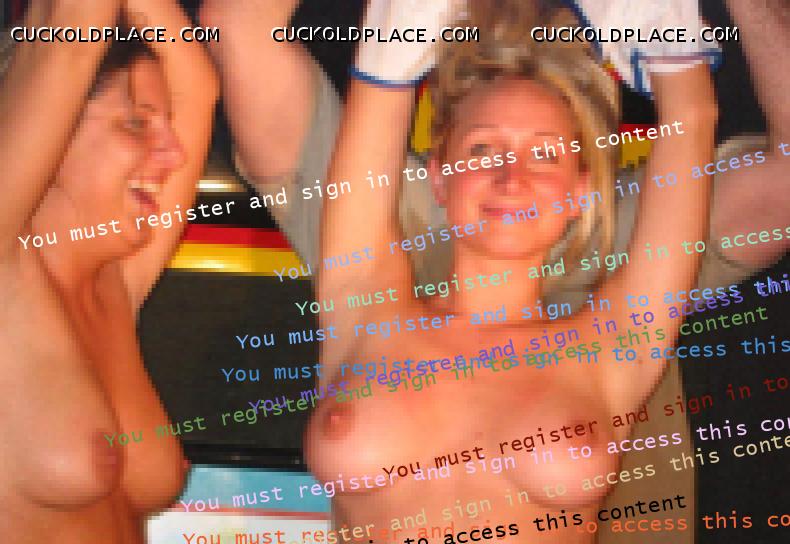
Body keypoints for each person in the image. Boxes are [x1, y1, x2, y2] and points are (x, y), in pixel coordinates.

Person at [302, 1, 719, 542]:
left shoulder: (611, 349)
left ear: (580, 192)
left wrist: (672, 51)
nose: (511, 178)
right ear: (440, 178)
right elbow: (382, 81)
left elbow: (693, 119)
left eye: (544, 154)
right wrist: (394, 38)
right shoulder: (365, 314)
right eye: (482, 149)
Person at [0, 0, 217, 541]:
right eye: (136, 123)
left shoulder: (116, 284)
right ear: (52, 131)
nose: (172, 154)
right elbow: (69, 45)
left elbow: (197, 85)